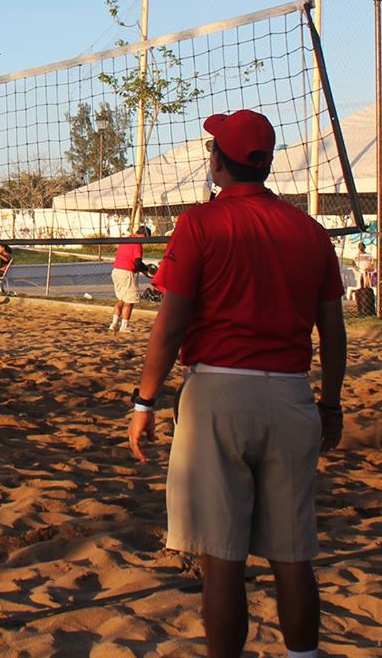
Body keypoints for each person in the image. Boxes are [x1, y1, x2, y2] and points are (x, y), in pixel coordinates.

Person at [127, 110, 347, 658]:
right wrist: (332, 404)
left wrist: (144, 400)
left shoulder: (200, 223)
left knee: (221, 564)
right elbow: (334, 331)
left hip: (218, 395)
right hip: (292, 397)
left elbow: (171, 323)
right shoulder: (311, 231)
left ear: (219, 161)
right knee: (293, 559)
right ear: (266, 163)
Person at [110, 226, 151, 332]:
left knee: (121, 300)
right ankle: (124, 326)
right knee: (129, 301)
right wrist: (147, 270)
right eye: (146, 239)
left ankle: (114, 324)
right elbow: (138, 263)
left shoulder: (126, 239)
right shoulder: (137, 243)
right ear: (143, 235)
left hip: (116, 271)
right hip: (127, 272)